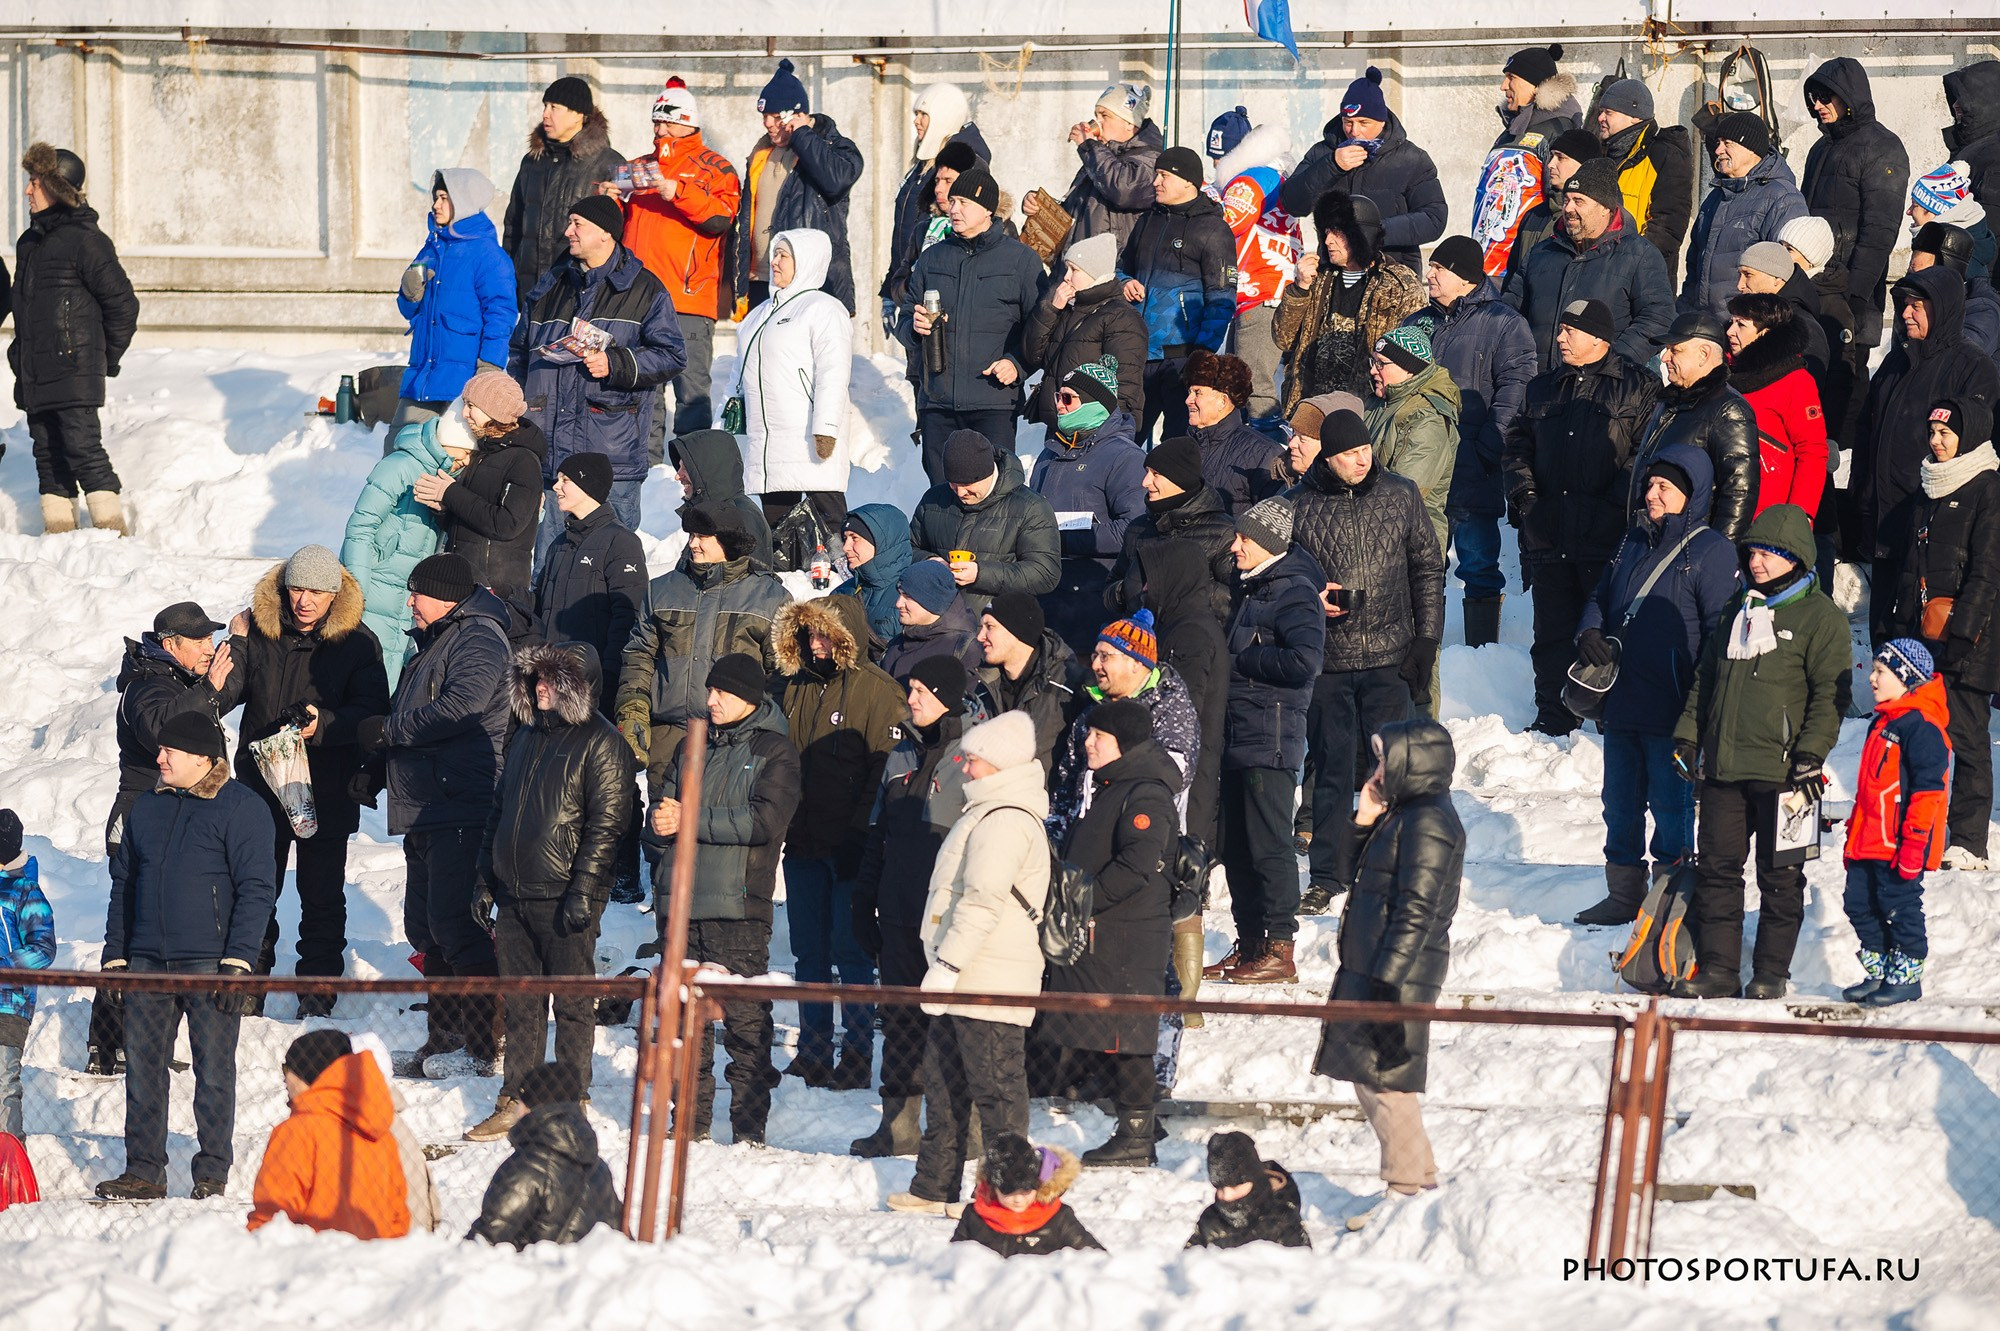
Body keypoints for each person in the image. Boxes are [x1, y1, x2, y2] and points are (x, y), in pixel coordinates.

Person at [97, 712, 276, 1201]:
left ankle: (211, 1174)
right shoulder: (146, 809)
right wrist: (115, 956)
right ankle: (144, 1172)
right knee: (142, 1069)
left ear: (202, 759)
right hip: (147, 964)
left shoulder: (242, 808)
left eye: (169, 752)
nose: (159, 758)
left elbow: (258, 889)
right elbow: (124, 886)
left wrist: (239, 962)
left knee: (214, 1073)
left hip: (211, 966)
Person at [1672, 504, 1846, 1000]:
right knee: (1718, 872)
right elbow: (1704, 679)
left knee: (1782, 878)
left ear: (1796, 557)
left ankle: (1771, 973)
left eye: (1770, 553)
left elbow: (1832, 697)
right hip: (1725, 769)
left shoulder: (1822, 618)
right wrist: (1688, 734)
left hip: (1792, 776)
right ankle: (1720, 970)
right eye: (1753, 552)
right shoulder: (1736, 609)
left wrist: (1812, 752)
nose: (1757, 562)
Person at [886, 712, 1050, 1215]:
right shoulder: (986, 811)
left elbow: (981, 900)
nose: (965, 765)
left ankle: (1010, 1194)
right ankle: (934, 1187)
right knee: (945, 1083)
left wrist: (948, 965)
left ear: (997, 764)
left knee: (997, 1091)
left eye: (973, 758)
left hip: (987, 977)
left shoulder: (1006, 819)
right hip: (966, 975)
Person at [466, 643, 630, 1142]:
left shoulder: (602, 742)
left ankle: (570, 1098)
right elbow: (499, 812)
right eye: (535, 678)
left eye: (551, 680)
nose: (540, 687)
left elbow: (609, 824)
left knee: (573, 1002)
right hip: (516, 892)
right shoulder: (525, 737)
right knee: (522, 1003)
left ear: (576, 686)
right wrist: (484, 877)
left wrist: (584, 889)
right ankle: (516, 1097)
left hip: (566, 895)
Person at [356, 554, 513, 1073]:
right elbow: (412, 710)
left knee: (457, 923)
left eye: (416, 592)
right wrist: (377, 766)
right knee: (426, 926)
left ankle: (485, 1046)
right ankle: (444, 1038)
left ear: (445, 596)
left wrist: (390, 732)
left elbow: (462, 705)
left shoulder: (479, 638)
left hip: (461, 803)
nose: (409, 602)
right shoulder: (438, 641)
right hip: (426, 805)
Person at [1570, 447, 1740, 926]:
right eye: (1649, 486)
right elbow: (1602, 595)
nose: (1652, 495)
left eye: (1664, 487)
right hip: (1622, 703)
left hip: (1673, 709)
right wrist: (1587, 631)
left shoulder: (1712, 551)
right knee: (1618, 805)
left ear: (1692, 494)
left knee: (1672, 808)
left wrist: (1706, 707)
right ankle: (1623, 894)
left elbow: (1719, 634)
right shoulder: (1632, 540)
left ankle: (1671, 899)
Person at [1284, 401, 1442, 915]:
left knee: (1392, 772)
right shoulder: (1295, 505)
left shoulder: (1401, 493)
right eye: (1349, 453)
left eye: (1365, 449)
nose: (1361, 459)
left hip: (1389, 657)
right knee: (1330, 772)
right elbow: (1274, 575)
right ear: (1326, 458)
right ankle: (1327, 874)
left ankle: (1392, 868)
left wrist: (1427, 641)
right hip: (1328, 663)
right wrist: (1310, 598)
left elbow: (1427, 568)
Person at [211, 546, 391, 996]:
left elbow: (373, 714)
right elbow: (225, 695)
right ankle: (247, 986)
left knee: (322, 895)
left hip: (326, 786)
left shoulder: (359, 643)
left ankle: (319, 990)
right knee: (254, 891)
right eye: (295, 589)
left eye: (315, 591)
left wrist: (323, 723)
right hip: (261, 787)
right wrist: (234, 642)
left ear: (334, 595)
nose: (303, 601)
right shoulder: (259, 632)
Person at [648, 655, 803, 1144]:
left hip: (737, 908)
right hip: (679, 906)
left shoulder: (775, 752)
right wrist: (659, 826)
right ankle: (688, 1126)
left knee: (745, 1026)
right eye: (709, 690)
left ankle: (748, 1131)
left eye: (723, 693)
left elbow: (763, 822)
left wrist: (690, 819)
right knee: (684, 1026)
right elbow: (665, 811)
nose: (710, 700)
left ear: (751, 698)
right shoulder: (691, 746)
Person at [1313, 718, 1461, 1224]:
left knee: (1385, 1082)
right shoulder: (1406, 816)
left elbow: (1416, 908)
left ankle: (1404, 1191)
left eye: (1385, 760)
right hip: (1377, 966)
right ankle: (1419, 1181)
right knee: (1375, 1078)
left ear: (1412, 763)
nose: (1377, 770)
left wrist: (1387, 981)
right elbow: (1358, 875)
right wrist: (1364, 819)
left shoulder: (1430, 823)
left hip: (1396, 972)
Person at [1501, 298, 1661, 735]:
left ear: (1598, 337)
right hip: (1548, 532)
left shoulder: (1640, 386)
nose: (1559, 337)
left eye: (1570, 330)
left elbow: (1643, 459)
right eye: (1560, 329)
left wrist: (1614, 510)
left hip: (1607, 538)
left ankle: (1612, 718)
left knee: (1607, 631)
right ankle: (1554, 716)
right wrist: (1526, 501)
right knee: (1551, 634)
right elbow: (1517, 446)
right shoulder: (1542, 387)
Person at [849, 657, 982, 1158]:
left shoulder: (974, 755)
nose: (913, 698)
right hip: (899, 914)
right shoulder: (899, 753)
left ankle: (965, 1133)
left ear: (947, 695)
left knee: (953, 1025)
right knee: (902, 1023)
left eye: (923, 690)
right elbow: (876, 836)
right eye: (911, 689)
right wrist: (866, 900)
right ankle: (898, 1125)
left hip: (949, 921)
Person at [771, 596, 905, 1089]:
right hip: (803, 840)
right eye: (808, 634)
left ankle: (855, 1053)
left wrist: (861, 835)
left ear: (846, 634)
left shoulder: (879, 691)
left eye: (825, 633)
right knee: (809, 953)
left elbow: (883, 771)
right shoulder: (795, 687)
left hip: (850, 847)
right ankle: (812, 1050)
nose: (816, 643)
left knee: (851, 956)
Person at [1041, 700, 1179, 1166]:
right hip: (1110, 931)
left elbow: (1138, 864)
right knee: (1112, 1031)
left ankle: (1137, 1138)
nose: (1088, 742)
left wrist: (1086, 901)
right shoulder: (1114, 785)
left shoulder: (1145, 793)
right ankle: (1142, 1123)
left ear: (1126, 743)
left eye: (1099, 736)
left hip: (1127, 935)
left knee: (1128, 1034)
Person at [511, 193, 687, 556]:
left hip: (611, 456)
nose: (567, 232)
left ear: (606, 233)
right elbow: (519, 354)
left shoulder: (645, 290)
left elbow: (671, 355)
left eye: (578, 224)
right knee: (548, 565)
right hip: (549, 454)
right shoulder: (549, 288)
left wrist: (616, 363)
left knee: (607, 563)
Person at [1878, 397, 2000, 870]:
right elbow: (1913, 568)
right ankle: (1920, 827)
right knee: (1921, 734)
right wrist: (1902, 632)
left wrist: (1963, 638)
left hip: (1970, 639)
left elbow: (1988, 572)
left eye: (1945, 434)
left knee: (1968, 738)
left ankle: (1969, 842)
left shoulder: (1988, 488)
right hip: (1924, 639)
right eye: (1932, 432)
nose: (1936, 441)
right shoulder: (1928, 487)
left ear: (1968, 437)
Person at [1214, 497, 1326, 984]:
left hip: (1271, 737)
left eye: (1243, 538)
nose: (1234, 546)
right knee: (1236, 846)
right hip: (1239, 732)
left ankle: (1280, 949)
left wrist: (1240, 661)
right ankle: (1252, 944)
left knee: (1270, 845)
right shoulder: (1254, 588)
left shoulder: (1294, 592)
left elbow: (1305, 662)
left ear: (1269, 543)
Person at [1412, 236, 1537, 643]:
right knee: (1421, 560)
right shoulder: (1417, 323)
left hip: (1473, 463)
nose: (1429, 274)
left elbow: (1517, 387)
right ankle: (1427, 644)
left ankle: (1482, 652)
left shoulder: (1504, 322)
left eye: (1439, 268)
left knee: (1478, 559)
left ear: (1465, 278)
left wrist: (1488, 448)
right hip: (1421, 462)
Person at [13, 142, 139, 537]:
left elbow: (123, 306)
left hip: (73, 373)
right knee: (47, 456)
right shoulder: (28, 244)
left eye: (34, 182)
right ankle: (60, 536)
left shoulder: (86, 240)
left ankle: (114, 534)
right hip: (35, 374)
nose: (27, 191)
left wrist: (100, 361)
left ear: (57, 186)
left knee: (85, 453)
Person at [616, 500, 787, 788]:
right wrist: (633, 711)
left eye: (702, 537)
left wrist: (762, 733)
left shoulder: (770, 598)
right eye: (691, 536)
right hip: (669, 737)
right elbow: (638, 656)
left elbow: (781, 675)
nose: (693, 544)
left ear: (728, 542)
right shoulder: (662, 590)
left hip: (736, 741)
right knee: (663, 825)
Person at [613, 77, 740, 448]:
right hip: (638, 298)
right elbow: (613, 228)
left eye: (667, 121)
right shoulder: (636, 168)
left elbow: (721, 218)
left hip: (688, 297)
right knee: (644, 388)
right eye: (656, 122)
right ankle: (647, 467)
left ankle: (696, 469)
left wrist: (677, 191)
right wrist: (609, 200)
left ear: (690, 122)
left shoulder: (717, 168)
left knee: (692, 389)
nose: (660, 129)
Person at [902, 169, 1047, 485]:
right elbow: (904, 319)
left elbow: (1043, 328)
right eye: (952, 200)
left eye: (963, 201)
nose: (953, 209)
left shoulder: (1020, 261)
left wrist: (1018, 364)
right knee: (943, 496)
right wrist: (914, 327)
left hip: (992, 402)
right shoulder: (931, 259)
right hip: (937, 402)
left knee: (995, 495)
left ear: (988, 210)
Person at [1849, 268, 2000, 569]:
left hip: (1933, 534)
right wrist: (1861, 498)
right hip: (1880, 524)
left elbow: (1973, 456)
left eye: (1916, 306)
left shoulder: (1973, 368)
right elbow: (1868, 432)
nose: (1905, 313)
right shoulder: (1895, 361)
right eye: (1904, 304)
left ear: (1941, 308)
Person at [1800, 58, 1910, 453]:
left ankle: (1842, 488)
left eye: (1826, 96)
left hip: (1850, 296)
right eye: (1813, 97)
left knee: (1846, 391)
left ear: (1850, 98)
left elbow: (1880, 231)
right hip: (1812, 291)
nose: (1817, 105)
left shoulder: (1883, 147)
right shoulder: (1819, 149)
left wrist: (1855, 295)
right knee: (1809, 390)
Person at [1840, 640, 1952, 1007]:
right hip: (1868, 839)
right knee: (1858, 903)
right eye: (1873, 670)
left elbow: (1928, 793)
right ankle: (1881, 969)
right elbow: (1870, 789)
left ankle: (1906, 976)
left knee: (1899, 906)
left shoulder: (1921, 726)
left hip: (1900, 842)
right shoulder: (1882, 722)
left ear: (1906, 678)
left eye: (1880, 672)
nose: (1871, 678)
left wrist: (1914, 844)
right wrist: (1853, 833)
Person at [735, 229, 854, 547]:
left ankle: (838, 582)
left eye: (783, 255)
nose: (774, 262)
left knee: (829, 525)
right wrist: (728, 425)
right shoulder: (758, 315)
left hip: (808, 436)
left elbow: (834, 372)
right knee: (778, 532)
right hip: (767, 439)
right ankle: (787, 584)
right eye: (774, 254)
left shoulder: (823, 308)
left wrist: (826, 428)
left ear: (806, 261)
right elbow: (739, 374)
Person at [1502, 157, 1676, 373]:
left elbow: (1658, 317)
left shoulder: (1640, 255)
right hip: (1540, 384)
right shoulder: (1540, 253)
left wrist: (1611, 363)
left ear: (1605, 208)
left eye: (1579, 201)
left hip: (1606, 389)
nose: (1568, 208)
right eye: (1566, 200)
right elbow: (1509, 312)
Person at [1047, 611, 1203, 846]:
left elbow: (1174, 774)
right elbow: (1067, 779)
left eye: (1105, 656)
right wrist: (1054, 834)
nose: (1095, 664)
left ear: (1136, 663)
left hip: (1140, 837)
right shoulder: (1092, 708)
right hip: (1081, 837)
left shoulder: (1169, 705)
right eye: (1095, 655)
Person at [1119, 146, 1237, 443]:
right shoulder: (1148, 220)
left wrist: (1202, 357)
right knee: (1125, 440)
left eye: (1163, 175)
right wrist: (1124, 282)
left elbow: (1222, 297)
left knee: (1175, 445)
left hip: (1181, 360)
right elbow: (1122, 267)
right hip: (1138, 354)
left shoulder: (1213, 229)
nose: (1155, 182)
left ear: (1187, 181)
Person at [1031, 355, 1147, 654]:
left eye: (1068, 399)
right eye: (1058, 396)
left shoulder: (1125, 457)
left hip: (1092, 597)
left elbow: (1133, 529)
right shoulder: (1048, 454)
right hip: (1046, 588)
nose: (1059, 404)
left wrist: (1058, 539)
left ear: (1096, 404)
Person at [733, 59, 865, 315]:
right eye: (764, 117)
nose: (767, 124)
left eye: (774, 116)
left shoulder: (833, 146)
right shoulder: (762, 151)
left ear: (796, 114)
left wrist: (803, 135)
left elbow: (837, 180)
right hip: (762, 279)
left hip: (811, 282)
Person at [1281, 68, 1447, 273]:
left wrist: (1373, 231)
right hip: (1334, 274)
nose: (1354, 131)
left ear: (1382, 121)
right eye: (1348, 122)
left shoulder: (1411, 159)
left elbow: (1434, 218)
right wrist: (1331, 166)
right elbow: (1292, 203)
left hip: (1393, 276)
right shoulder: (1322, 153)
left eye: (1364, 123)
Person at [1273, 190, 1426, 413]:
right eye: (1325, 232)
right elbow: (1283, 339)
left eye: (1337, 232)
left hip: (1366, 411)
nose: (1327, 241)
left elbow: (1414, 357)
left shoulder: (1399, 284)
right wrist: (1299, 289)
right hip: (1311, 406)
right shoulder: (1317, 279)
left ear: (1360, 234)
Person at [247, 1030, 410, 1238]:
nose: (284, 1080)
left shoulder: (297, 1132)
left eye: (287, 1068)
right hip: (374, 1264)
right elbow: (398, 1218)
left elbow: (272, 1219)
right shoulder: (382, 1136)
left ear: (309, 1073)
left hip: (313, 1264)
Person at [394, 169, 516, 431]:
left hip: (464, 384)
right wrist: (409, 294)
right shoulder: (431, 249)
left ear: (463, 201)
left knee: (453, 462)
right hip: (422, 378)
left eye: (443, 198)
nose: (435, 205)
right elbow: (408, 311)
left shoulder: (490, 257)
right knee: (397, 451)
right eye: (435, 198)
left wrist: (489, 368)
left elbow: (501, 316)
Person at [342, 408, 457, 683]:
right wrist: (357, 592)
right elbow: (360, 527)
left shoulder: (453, 476)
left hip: (413, 599)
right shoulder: (400, 466)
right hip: (376, 589)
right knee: (366, 680)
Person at [1627, 312, 1761, 542]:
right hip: (1653, 539)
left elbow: (1739, 493)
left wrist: (1714, 553)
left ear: (1704, 354)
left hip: (1689, 548)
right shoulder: (1669, 402)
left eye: (1675, 350)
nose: (1665, 357)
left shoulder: (1728, 409)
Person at [533, 452, 649, 717]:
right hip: (550, 680)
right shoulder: (558, 544)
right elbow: (540, 606)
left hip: (591, 688)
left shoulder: (621, 542)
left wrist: (607, 679)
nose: (556, 486)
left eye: (565, 480)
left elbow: (628, 617)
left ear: (587, 486)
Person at [419, 372, 548, 605]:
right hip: (463, 582)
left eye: (471, 406)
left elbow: (506, 524)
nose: (464, 414)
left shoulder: (523, 461)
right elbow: (468, 523)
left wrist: (450, 493)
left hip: (497, 591)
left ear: (494, 411)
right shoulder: (481, 455)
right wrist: (443, 508)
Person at [1138, 538, 1230, 855]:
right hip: (1186, 764)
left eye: (1154, 577)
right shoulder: (1180, 623)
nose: (1145, 587)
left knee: (1182, 851)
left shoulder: (1191, 631)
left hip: (1189, 770)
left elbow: (1183, 707)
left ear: (1174, 576)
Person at [908, 431, 1063, 617]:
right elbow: (907, 549)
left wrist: (981, 573)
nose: (960, 492)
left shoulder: (1031, 507)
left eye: (967, 484)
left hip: (995, 627)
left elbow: (1045, 574)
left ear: (988, 473)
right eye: (953, 484)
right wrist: (931, 562)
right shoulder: (934, 499)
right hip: (938, 624)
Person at [466, 1062, 622, 1246]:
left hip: (534, 1271)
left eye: (520, 1100)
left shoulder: (526, 1169)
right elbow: (616, 1233)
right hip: (584, 1272)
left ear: (529, 1107)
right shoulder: (599, 1168)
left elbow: (484, 1240)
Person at [882, 83, 991, 342]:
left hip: (936, 296)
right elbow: (906, 230)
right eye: (916, 114)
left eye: (923, 114)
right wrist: (892, 287)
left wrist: (913, 287)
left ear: (943, 116)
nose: (916, 121)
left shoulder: (961, 162)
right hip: (914, 286)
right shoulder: (925, 162)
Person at [501, 76, 624, 302]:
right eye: (545, 106)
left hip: (577, 293)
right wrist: (507, 279)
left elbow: (621, 235)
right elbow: (513, 225)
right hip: (527, 293)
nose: (545, 114)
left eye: (554, 107)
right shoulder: (531, 162)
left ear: (578, 114)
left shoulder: (608, 162)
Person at [1212, 121, 1302, 425]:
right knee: (1245, 387)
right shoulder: (1279, 179)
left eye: (1220, 157)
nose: (1216, 164)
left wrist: (1201, 203)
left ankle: (1268, 464)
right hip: (1272, 290)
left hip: (1258, 293)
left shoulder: (1253, 178)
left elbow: (1224, 226)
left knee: (1253, 389)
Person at [1681, 113, 1809, 319]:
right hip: (1706, 325)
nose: (1718, 150)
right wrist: (1685, 314)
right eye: (1718, 142)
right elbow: (1694, 266)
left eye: (1727, 143)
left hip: (1750, 326)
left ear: (1751, 149)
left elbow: (1787, 274)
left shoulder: (1782, 198)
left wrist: (1757, 324)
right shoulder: (1716, 197)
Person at [1470, 44, 1581, 274]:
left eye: (1511, 78)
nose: (1503, 86)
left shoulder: (1557, 129)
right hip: (1490, 264)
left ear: (1535, 84)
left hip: (1523, 266)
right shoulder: (1513, 130)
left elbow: (1562, 200)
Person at [1105, 435, 1239, 624]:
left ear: (1180, 479)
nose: (1145, 482)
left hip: (1194, 645)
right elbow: (1110, 591)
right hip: (1141, 644)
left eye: (1156, 474)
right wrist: (1127, 590)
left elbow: (1239, 602)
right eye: (1146, 472)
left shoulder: (1224, 533)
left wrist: (1182, 590)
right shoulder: (1138, 528)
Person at [1023, 233, 1148, 430]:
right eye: (1066, 269)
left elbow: (1125, 385)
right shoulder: (1067, 310)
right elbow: (1034, 355)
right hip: (1060, 423)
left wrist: (1112, 432)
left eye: (1074, 270)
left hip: (1092, 429)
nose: (1066, 277)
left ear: (1094, 273)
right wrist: (1050, 310)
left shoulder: (1121, 318)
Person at [1725, 294, 1829, 521]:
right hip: (1724, 505)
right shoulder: (1724, 373)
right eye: (1731, 321)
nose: (1730, 331)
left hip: (1769, 513)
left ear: (1765, 333)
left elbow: (1812, 452)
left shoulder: (1795, 381)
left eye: (1741, 325)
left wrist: (1799, 516)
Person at [1364, 323, 1461, 561]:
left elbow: (1406, 490)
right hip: (1371, 532)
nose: (1373, 371)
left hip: (1411, 544)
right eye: (1372, 362)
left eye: (1381, 364)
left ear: (1409, 369)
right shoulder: (1378, 403)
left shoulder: (1428, 416)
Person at [1041, 82, 1164, 258]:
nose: (1097, 122)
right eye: (1096, 115)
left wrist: (1089, 146)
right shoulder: (1100, 158)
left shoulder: (1149, 158)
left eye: (1104, 115)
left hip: (1113, 272)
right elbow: (1075, 212)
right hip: (1077, 268)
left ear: (1129, 123)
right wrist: (1041, 207)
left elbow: (1123, 189)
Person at [1594, 79, 1695, 286]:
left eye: (1608, 112)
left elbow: (1668, 226)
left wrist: (1629, 263)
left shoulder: (1664, 155)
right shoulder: (1606, 153)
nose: (1600, 118)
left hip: (1642, 278)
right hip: (1600, 271)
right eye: (1601, 111)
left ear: (1634, 117)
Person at [975, 592, 1083, 773]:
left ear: (1017, 632)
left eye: (989, 627)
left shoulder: (1067, 685)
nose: (980, 636)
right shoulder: (983, 685)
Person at [949, 1134, 1103, 1254]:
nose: (1018, 1199)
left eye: (1026, 1190)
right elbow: (953, 1262)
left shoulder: (1058, 1218)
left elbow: (1095, 1259)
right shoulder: (974, 1217)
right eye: (1007, 1191)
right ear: (992, 1187)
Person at [0, 810, 53, 1140]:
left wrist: (8, 963)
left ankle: (7, 1161)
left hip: (8, 1004)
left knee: (3, 1081)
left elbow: (44, 948)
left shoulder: (24, 891)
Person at [1182, 350, 1284, 515]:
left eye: (1197, 392)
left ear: (1222, 401)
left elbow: (1270, 524)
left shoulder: (1264, 454)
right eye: (1189, 392)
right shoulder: (1182, 446)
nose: (1188, 400)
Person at [1186, 1130, 1310, 1249]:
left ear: (1254, 1182)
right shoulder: (1210, 1221)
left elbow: (1302, 1266)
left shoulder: (1282, 1222)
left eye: (1235, 1186)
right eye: (1220, 1188)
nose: (1227, 1196)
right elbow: (1187, 1263)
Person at [670, 429, 775, 569]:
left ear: (705, 470)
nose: (678, 476)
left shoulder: (739, 517)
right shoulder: (712, 509)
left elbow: (750, 585)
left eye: (686, 468)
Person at [1732, 242, 1831, 378]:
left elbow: (1808, 386)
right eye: (1740, 275)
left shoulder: (1804, 327)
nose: (1740, 285)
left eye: (1748, 275)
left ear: (1777, 279)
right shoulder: (1751, 314)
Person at [882, 560, 985, 683]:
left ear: (932, 601)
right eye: (899, 595)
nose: (898, 603)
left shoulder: (965, 652)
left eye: (908, 597)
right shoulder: (897, 644)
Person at [835, 504, 914, 649]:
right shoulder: (842, 593)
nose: (846, 547)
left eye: (855, 538)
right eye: (845, 539)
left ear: (882, 543)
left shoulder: (914, 596)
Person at [1942, 60, 2000, 214]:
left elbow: (1990, 225)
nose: (1955, 105)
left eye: (1963, 98)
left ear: (1989, 97)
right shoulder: (1969, 147)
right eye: (1954, 98)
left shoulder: (1993, 156)